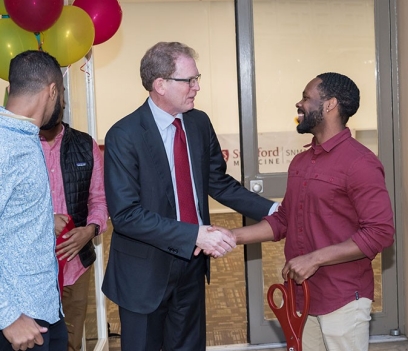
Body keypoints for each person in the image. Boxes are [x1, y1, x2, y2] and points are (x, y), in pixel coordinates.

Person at [102, 41, 278, 351]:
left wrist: (274, 210)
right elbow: (126, 215)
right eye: (190, 80)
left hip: (192, 266)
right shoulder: (125, 135)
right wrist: (195, 234)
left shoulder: (198, 123)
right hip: (144, 273)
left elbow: (219, 183)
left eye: (198, 79)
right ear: (160, 85)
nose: (197, 87)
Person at [232, 72, 395, 351]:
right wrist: (229, 236)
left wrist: (314, 259)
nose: (299, 103)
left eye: (307, 98)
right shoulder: (301, 162)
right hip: (302, 297)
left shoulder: (361, 163)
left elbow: (380, 233)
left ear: (330, 104)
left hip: (342, 300)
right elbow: (283, 220)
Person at [0, 50, 68, 351]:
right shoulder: (5, 144)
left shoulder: (25, 136)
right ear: (52, 91)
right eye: (62, 94)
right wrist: (7, 316)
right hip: (18, 320)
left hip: (44, 307)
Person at [39, 111, 109, 351]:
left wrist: (90, 231)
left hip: (75, 266)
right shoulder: (18, 146)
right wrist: (46, 221)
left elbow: (99, 199)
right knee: (36, 342)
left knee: (70, 342)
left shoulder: (84, 144)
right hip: (32, 269)